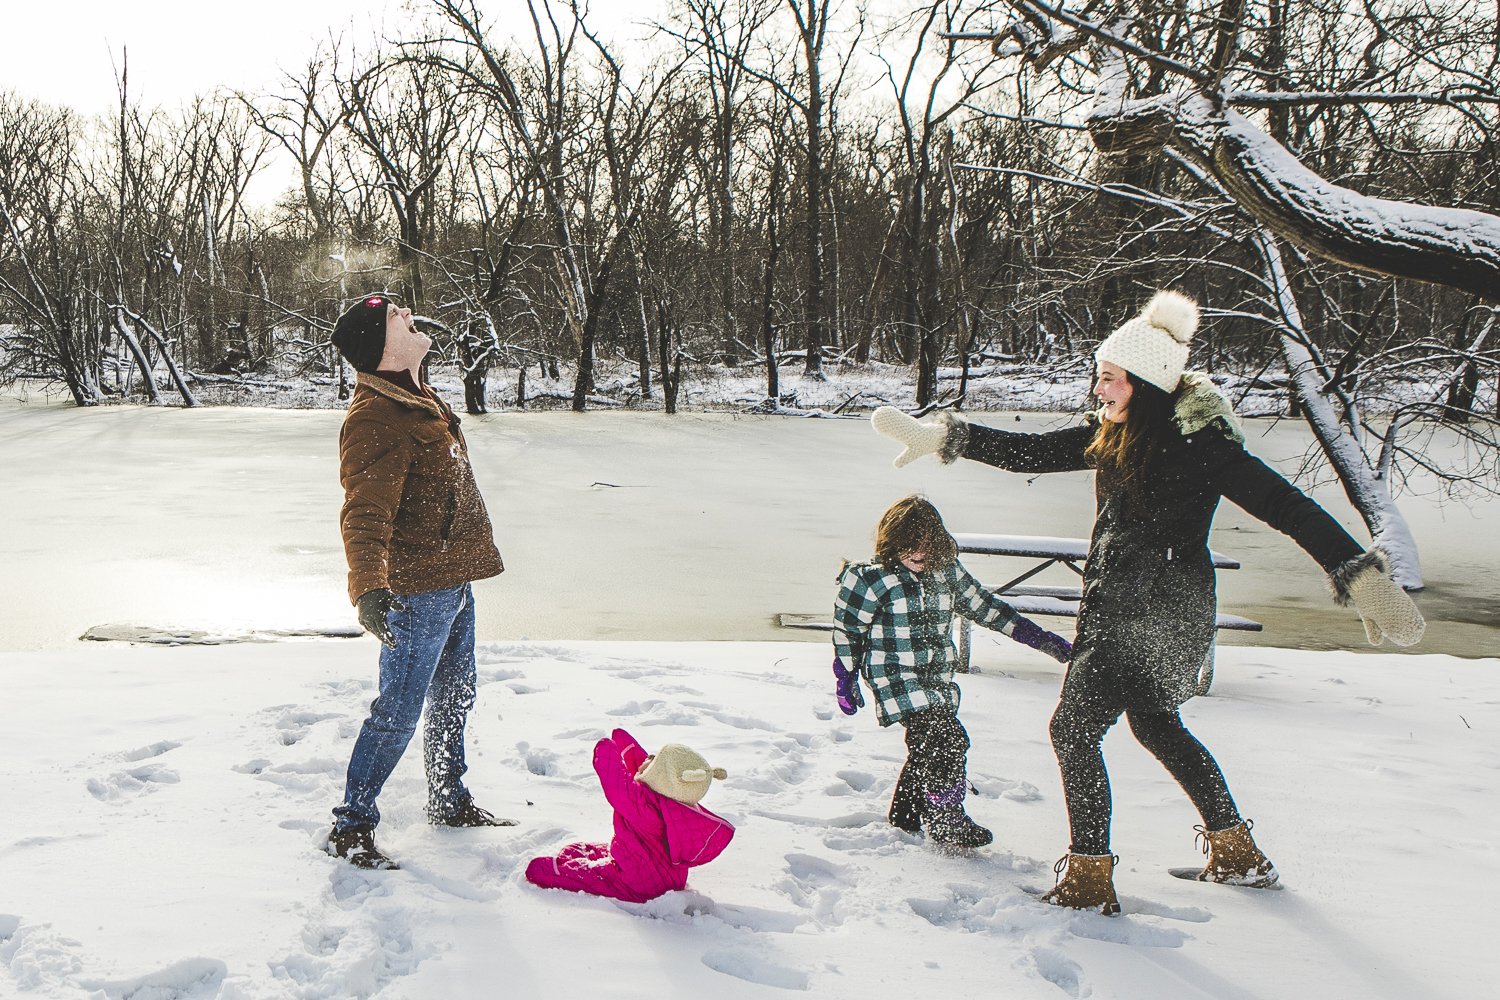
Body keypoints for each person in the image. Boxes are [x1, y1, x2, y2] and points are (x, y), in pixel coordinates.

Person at [872, 291, 1424, 914]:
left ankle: (1088, 878)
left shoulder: (1202, 446)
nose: (1098, 389)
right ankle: (1237, 852)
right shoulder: (1114, 435)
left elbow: (1286, 505)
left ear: (1145, 381)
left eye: (1109, 378)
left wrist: (1359, 574)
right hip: (1155, 615)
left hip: (1146, 617)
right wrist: (946, 436)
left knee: (1072, 731)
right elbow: (1030, 452)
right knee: (1157, 725)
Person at [325, 292, 512, 871]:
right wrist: (369, 588)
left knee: (456, 694)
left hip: (452, 578)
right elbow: (364, 512)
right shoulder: (375, 418)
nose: (412, 317)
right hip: (414, 590)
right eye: (397, 319)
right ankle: (352, 826)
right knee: (399, 710)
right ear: (381, 348)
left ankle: (448, 798)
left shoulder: (415, 395)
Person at [832, 495, 1075, 849]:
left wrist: (1041, 639)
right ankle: (946, 819)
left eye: (926, 547)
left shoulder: (947, 574)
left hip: (936, 678)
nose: (918, 555)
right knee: (947, 738)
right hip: (895, 676)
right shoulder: (871, 579)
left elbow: (987, 608)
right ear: (891, 542)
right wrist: (846, 675)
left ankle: (904, 816)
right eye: (908, 546)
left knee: (926, 746)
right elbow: (848, 629)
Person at [525, 729, 736, 903]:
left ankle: (553, 871)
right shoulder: (678, 803)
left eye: (654, 763)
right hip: (670, 877)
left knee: (575, 875)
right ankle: (584, 858)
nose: (648, 760)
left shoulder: (643, 803)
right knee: (582, 850)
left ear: (659, 777)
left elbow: (617, 782)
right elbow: (645, 772)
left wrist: (605, 747)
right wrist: (626, 745)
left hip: (637, 882)